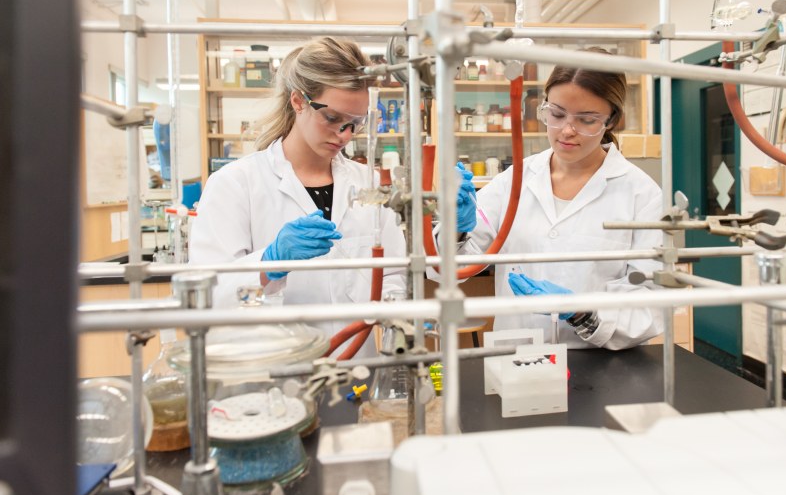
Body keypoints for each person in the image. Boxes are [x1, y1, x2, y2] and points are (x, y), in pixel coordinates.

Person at [189, 37, 406, 356]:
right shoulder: (236, 184)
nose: (344, 135)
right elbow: (204, 299)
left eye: (355, 124)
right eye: (332, 118)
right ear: (298, 101)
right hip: (275, 375)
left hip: (359, 369)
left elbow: (394, 275)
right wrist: (268, 262)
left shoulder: (370, 184)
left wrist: (393, 325)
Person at [454, 48, 664, 350]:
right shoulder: (514, 181)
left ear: (612, 119)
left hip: (598, 367)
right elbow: (453, 270)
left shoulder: (641, 195)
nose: (567, 130)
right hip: (516, 360)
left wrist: (581, 312)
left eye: (587, 119)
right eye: (556, 114)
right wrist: (456, 227)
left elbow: (649, 302)